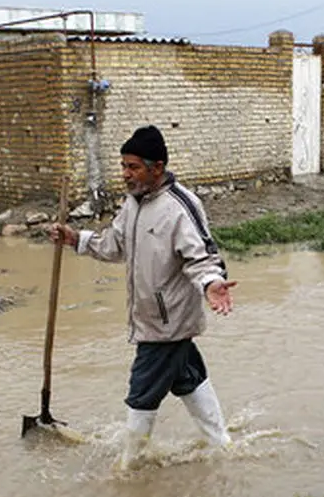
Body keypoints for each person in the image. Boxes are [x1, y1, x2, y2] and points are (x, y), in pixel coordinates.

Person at [48, 125, 238, 468]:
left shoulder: (180, 206)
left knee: (142, 393)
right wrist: (75, 239)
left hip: (167, 322)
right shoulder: (133, 204)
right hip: (152, 316)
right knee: (188, 378)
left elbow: (202, 256)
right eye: (123, 166)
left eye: (133, 167)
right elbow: (114, 245)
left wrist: (212, 283)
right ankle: (221, 445)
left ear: (157, 167)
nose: (125, 174)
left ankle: (129, 466)